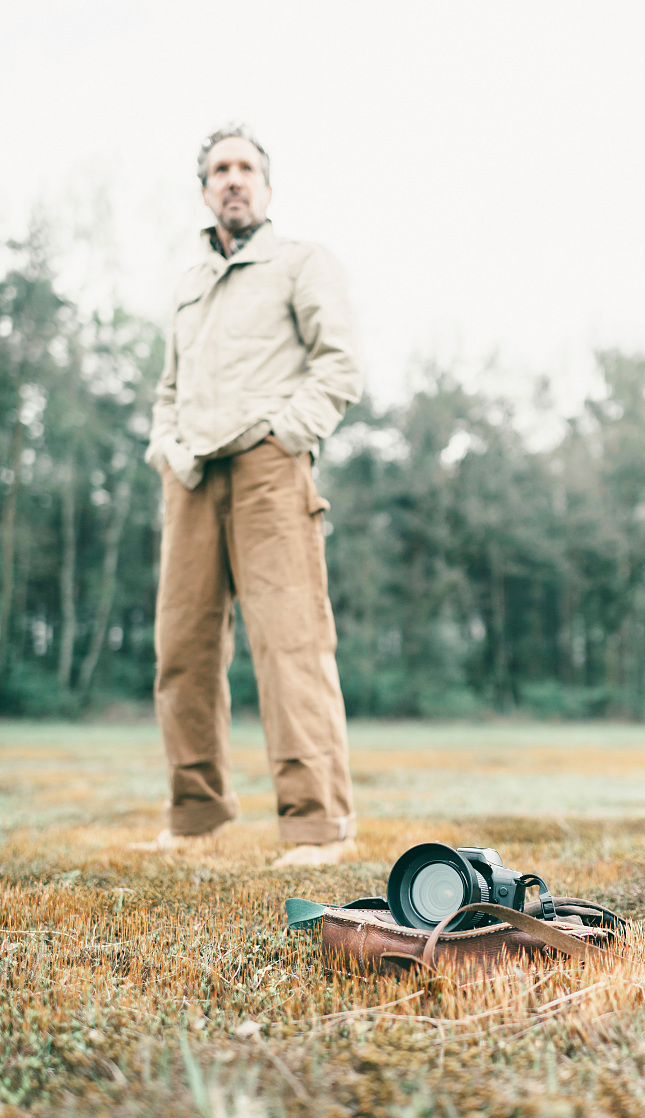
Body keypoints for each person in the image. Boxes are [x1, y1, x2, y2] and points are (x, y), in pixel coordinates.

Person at [142, 122, 362, 867]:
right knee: (181, 650)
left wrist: (284, 436)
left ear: (265, 186)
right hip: (191, 478)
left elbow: (339, 366)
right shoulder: (187, 284)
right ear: (204, 189)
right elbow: (166, 390)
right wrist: (166, 450)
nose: (232, 179)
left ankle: (316, 825)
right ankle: (195, 815)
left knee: (289, 644)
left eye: (245, 168)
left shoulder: (301, 262)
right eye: (218, 169)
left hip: (269, 471)